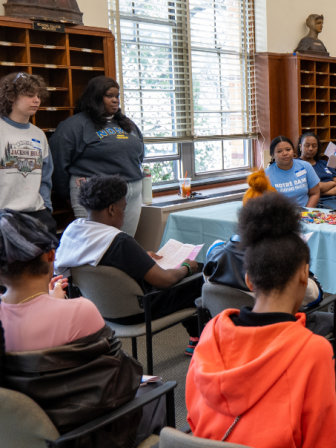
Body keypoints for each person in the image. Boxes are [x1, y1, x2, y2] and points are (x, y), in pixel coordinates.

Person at [186, 192, 336, 448]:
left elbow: (194, 415)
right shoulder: (313, 351)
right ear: (305, 275)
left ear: (249, 279)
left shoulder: (211, 331)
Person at [0, 209, 163, 447]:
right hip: (85, 433)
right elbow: (123, 376)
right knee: (155, 391)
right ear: (50, 256)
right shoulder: (79, 311)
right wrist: (57, 306)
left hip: (24, 433)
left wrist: (50, 304)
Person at [53, 174, 201, 353]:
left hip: (99, 309)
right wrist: (187, 268)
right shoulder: (119, 241)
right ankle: (200, 340)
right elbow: (164, 281)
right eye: (124, 208)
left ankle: (196, 338)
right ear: (112, 209)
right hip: (137, 311)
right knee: (199, 279)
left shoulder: (74, 231)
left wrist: (141, 257)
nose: (124, 213)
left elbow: (107, 265)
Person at [203, 170, 336, 337]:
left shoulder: (214, 251)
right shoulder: (284, 262)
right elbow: (314, 298)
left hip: (229, 330)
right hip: (279, 331)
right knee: (335, 321)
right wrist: (305, 269)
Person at [50, 76, 145, 235]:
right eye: (109, 96)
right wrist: (69, 194)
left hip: (132, 191)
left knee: (125, 244)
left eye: (117, 96)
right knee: (96, 246)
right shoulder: (75, 125)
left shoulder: (126, 123)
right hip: (96, 193)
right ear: (95, 97)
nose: (115, 101)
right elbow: (58, 163)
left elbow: (138, 154)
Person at [0, 72, 56, 234]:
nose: (37, 100)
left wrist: (46, 207)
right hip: (5, 214)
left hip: (37, 213)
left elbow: (45, 176)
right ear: (11, 97)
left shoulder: (39, 134)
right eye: (30, 95)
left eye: (38, 96)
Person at [298, 131, 336, 211]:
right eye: (307, 145)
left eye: (314, 146)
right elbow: (315, 187)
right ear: (300, 146)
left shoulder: (324, 163)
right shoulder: (297, 165)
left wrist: (322, 192)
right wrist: (332, 183)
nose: (311, 149)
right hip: (320, 202)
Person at [265, 135, 321, 208]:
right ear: (272, 155)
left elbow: (315, 193)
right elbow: (265, 202)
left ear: (293, 151)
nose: (285, 153)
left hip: (305, 213)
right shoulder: (265, 174)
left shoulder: (306, 166)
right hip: (279, 215)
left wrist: (306, 213)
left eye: (288, 149)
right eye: (279, 151)